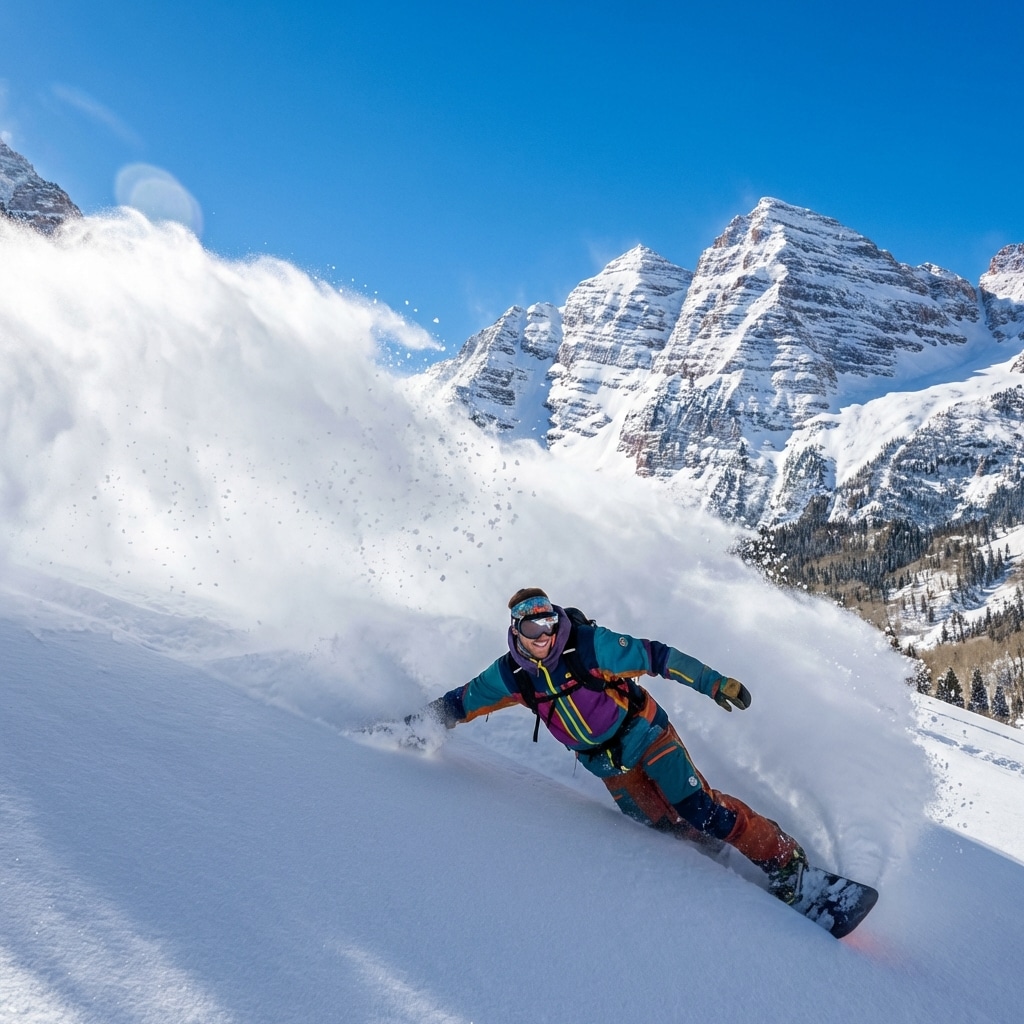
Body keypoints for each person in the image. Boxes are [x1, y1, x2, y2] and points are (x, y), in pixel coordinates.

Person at [424, 587, 808, 903]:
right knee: (662, 826)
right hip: (607, 766)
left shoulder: (589, 646)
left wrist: (714, 682)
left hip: (646, 735)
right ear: (516, 631)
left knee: (700, 809)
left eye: (549, 623)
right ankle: (715, 853)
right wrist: (419, 727)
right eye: (533, 627)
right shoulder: (510, 676)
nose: (544, 635)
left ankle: (784, 859)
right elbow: (463, 701)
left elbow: (656, 656)